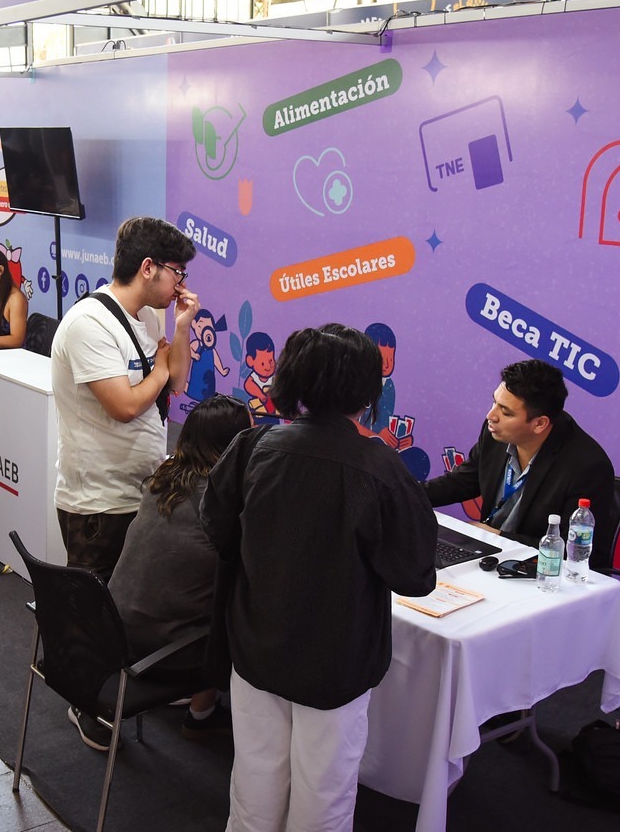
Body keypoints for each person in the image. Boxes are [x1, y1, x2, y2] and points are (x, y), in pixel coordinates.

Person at [202, 324, 438, 832]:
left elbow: (217, 530)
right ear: (367, 389)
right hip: (336, 662)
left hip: (256, 647)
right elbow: (414, 575)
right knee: (324, 796)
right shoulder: (383, 469)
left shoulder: (253, 446)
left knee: (253, 786)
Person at [74, 394, 253, 751]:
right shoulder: (225, 500)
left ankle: (199, 709)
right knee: (238, 609)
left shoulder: (162, 477)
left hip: (115, 637)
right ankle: (202, 715)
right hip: (165, 654)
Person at [50, 216, 198, 582]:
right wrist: (160, 369)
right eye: (177, 272)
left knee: (129, 612)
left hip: (141, 490)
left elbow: (177, 382)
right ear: (148, 268)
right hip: (98, 503)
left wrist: (182, 327)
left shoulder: (148, 316)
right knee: (91, 619)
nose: (180, 284)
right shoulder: (89, 323)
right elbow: (125, 407)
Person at [424, 359, 619, 567]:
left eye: (506, 412)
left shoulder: (587, 467)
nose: (491, 415)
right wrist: (401, 495)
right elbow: (462, 482)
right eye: (494, 402)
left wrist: (498, 536)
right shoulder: (496, 432)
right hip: (489, 555)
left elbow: (570, 551)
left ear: (539, 424)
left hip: (536, 569)